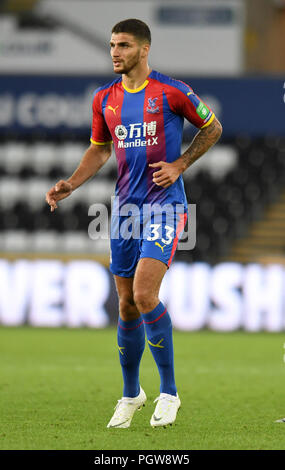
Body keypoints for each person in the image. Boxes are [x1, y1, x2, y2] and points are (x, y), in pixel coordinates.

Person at [46, 18, 222, 428]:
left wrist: (180, 163)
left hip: (165, 206)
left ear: (143, 49)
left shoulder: (171, 91)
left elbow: (212, 127)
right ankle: (131, 394)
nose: (114, 53)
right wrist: (71, 183)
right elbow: (99, 150)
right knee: (125, 304)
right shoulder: (103, 99)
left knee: (145, 294)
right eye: (111, 45)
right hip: (124, 210)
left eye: (123, 45)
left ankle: (169, 392)